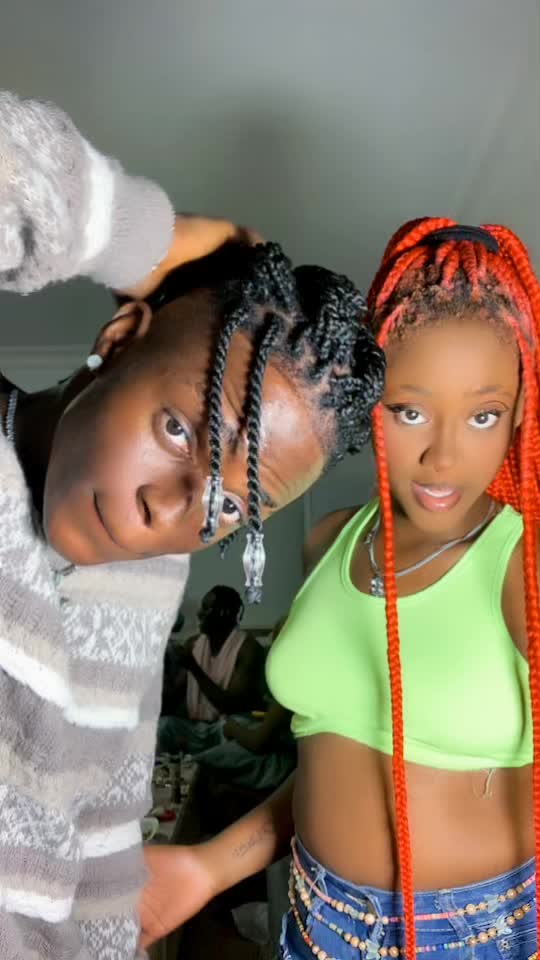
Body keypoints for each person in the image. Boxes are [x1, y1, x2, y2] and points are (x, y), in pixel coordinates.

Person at [0, 91, 384, 960]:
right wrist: (155, 241)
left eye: (230, 506)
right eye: (180, 429)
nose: (170, 512)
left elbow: (103, 830)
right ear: (120, 339)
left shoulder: (148, 576)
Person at [140, 217, 540, 960]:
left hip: (472, 935)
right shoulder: (330, 541)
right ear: (371, 403)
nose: (443, 456)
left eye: (483, 415)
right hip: (314, 921)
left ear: (519, 413)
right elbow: (333, 762)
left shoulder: (521, 562)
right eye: (410, 410)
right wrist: (208, 866)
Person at [158, 584, 265, 753]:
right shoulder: (193, 644)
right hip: (197, 729)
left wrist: (194, 668)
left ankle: (205, 759)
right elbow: (174, 697)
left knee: (238, 728)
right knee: (163, 727)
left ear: (223, 613)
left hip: (228, 728)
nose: (199, 614)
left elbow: (230, 706)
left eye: (205, 608)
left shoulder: (248, 649)